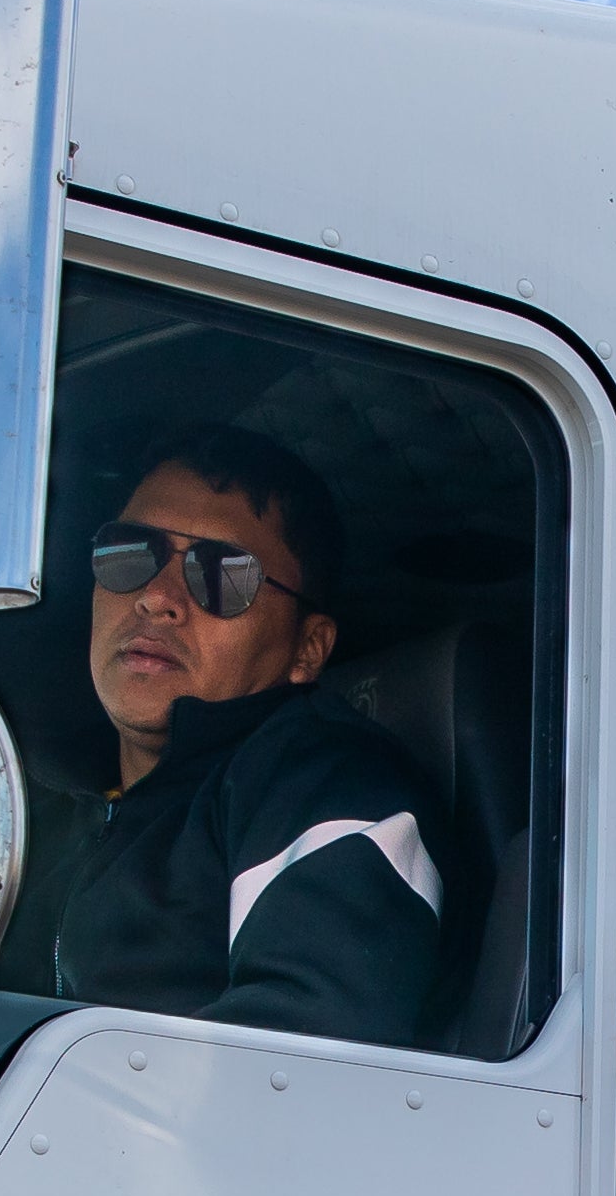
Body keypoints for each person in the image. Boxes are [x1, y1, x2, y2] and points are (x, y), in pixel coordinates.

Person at [43, 421, 453, 1049]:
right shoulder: (40, 811)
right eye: (131, 553)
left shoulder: (332, 786)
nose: (157, 598)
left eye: (223, 574)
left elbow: (301, 1066)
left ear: (307, 648)